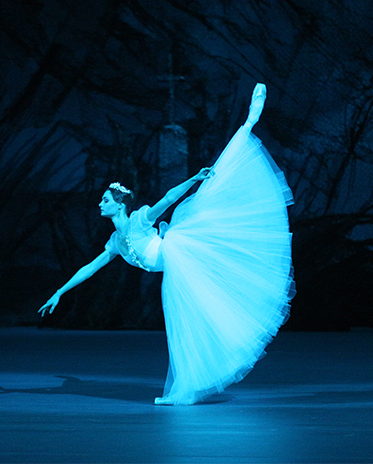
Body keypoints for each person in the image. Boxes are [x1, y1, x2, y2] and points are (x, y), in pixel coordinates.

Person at [39, 83, 295, 405]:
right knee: (188, 322)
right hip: (173, 264)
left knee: (188, 315)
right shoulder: (117, 240)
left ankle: (249, 123)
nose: (100, 204)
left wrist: (193, 179)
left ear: (119, 204)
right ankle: (189, 386)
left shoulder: (139, 219)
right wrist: (60, 291)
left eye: (105, 200)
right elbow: (90, 268)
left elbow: (168, 199)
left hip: (179, 253)